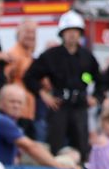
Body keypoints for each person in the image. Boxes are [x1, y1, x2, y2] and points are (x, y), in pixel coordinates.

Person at [22, 9, 100, 154]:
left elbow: (100, 80)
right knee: (55, 145)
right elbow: (30, 77)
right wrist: (44, 95)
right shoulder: (51, 56)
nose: (72, 34)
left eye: (75, 31)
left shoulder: (87, 57)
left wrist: (95, 97)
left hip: (80, 107)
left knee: (82, 146)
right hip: (59, 106)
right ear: (62, 33)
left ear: (80, 33)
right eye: (68, 30)